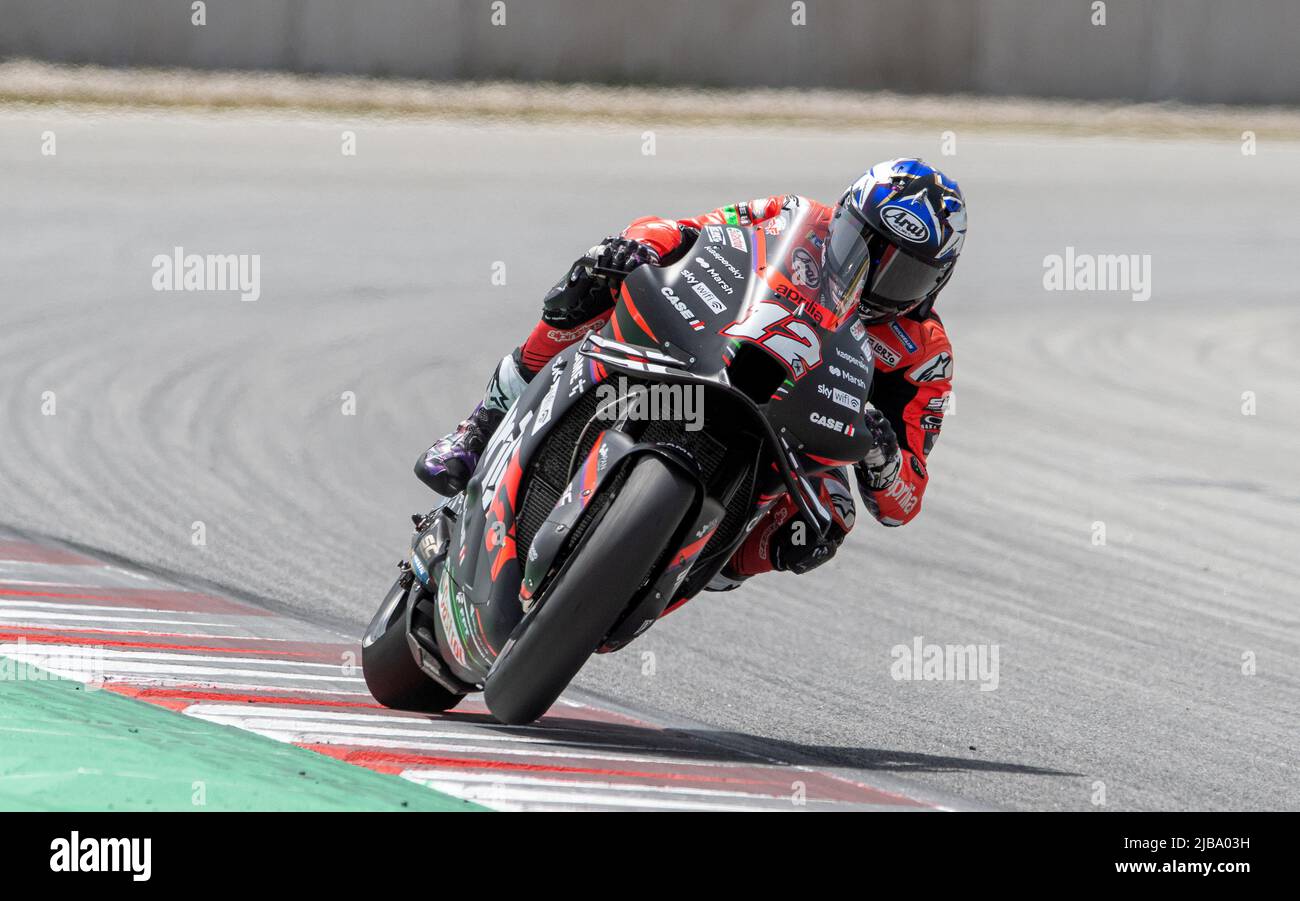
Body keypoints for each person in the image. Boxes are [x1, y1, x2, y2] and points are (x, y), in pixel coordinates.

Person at [417, 158, 965, 587]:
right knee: (593, 282)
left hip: (795, 436)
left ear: (935, 283)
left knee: (830, 517)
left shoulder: (925, 354)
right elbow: (687, 232)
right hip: (709, 349)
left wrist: (885, 455)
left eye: (905, 272)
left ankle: (715, 565)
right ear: (844, 217)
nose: (875, 278)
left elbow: (904, 503)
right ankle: (480, 426)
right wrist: (635, 248)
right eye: (866, 247)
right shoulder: (795, 215)